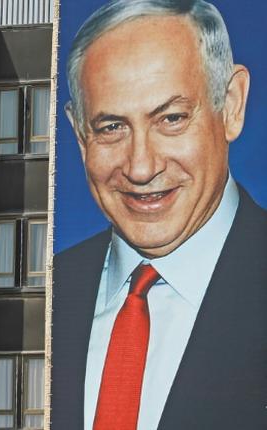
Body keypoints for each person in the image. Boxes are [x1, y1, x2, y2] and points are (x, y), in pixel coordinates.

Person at [52, 1, 267, 429]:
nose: (140, 167)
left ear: (231, 104)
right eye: (111, 127)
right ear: (79, 135)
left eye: (170, 118)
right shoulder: (32, 302)